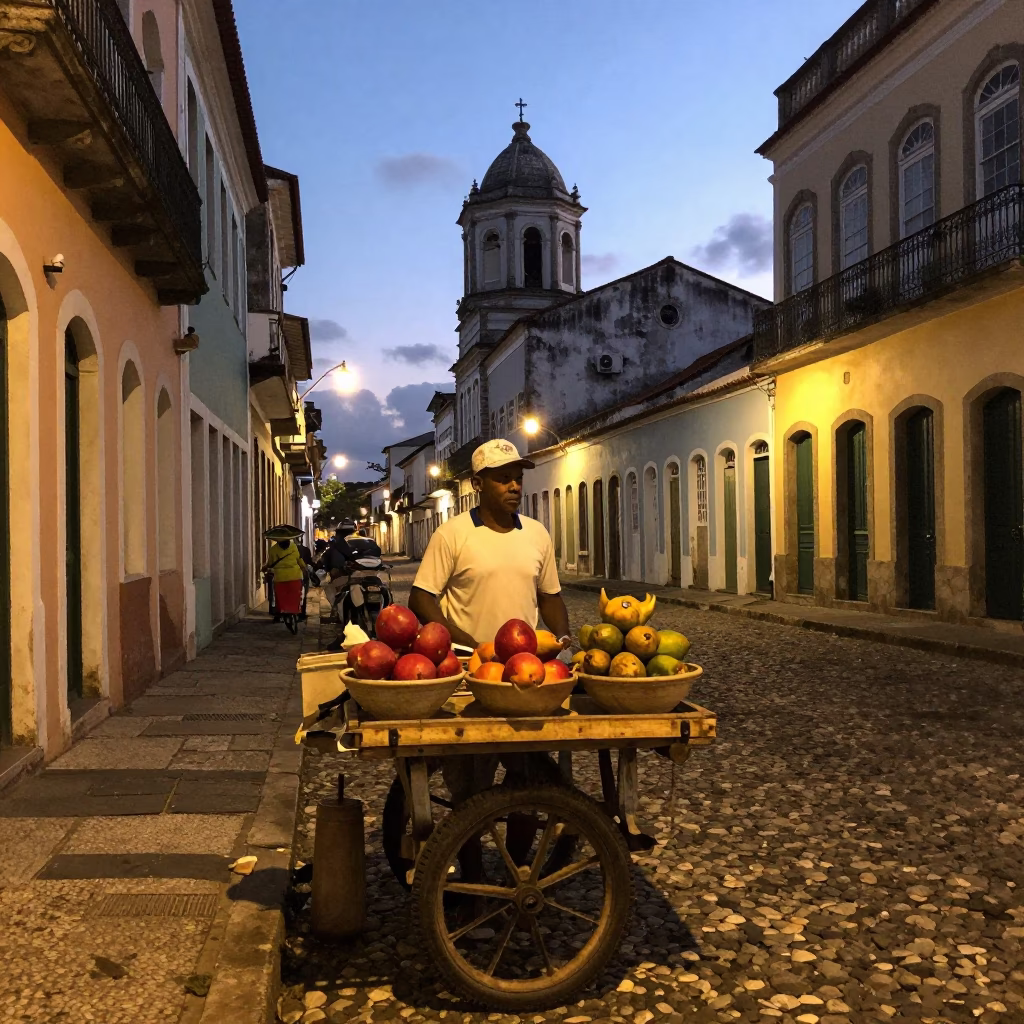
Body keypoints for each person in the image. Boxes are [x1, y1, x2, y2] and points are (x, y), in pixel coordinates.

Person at [409, 438, 572, 803]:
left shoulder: (537, 534)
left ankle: (522, 856)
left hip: (525, 674)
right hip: (471, 670)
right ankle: (467, 854)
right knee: (469, 784)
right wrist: (465, 641)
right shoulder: (452, 534)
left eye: (517, 478)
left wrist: (562, 637)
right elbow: (421, 597)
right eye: (503, 479)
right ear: (478, 484)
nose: (514, 486)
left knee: (529, 780)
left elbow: (550, 596)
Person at [261, 538, 307, 626]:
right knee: (295, 595)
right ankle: (295, 611)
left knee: (281, 596)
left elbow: (271, 563)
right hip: (295, 575)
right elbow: (299, 559)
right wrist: (304, 568)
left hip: (280, 577)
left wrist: (265, 567)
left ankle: (281, 612)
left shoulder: (273, 549)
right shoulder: (294, 546)